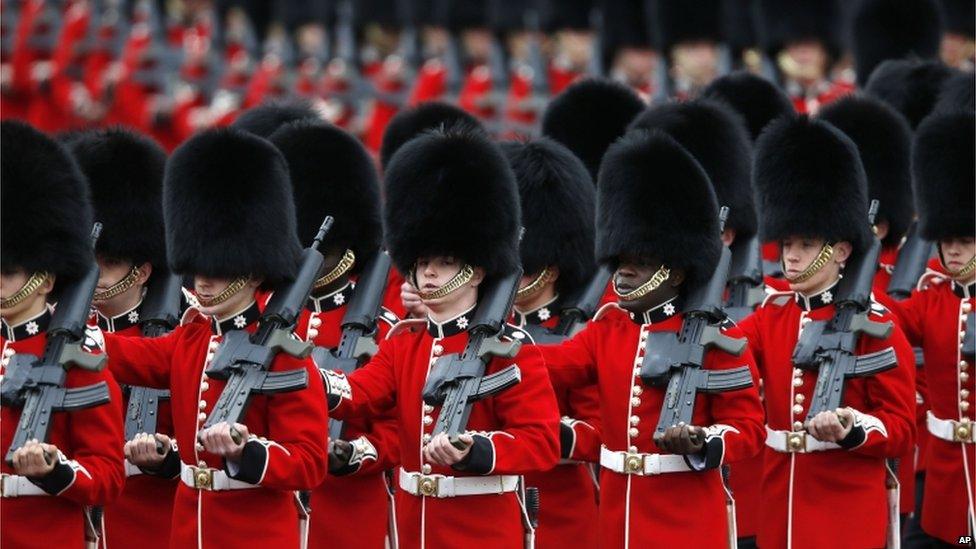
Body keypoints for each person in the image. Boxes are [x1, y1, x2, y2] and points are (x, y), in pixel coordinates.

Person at [324, 126, 561, 548]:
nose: (429, 273)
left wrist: (478, 450)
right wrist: (309, 375)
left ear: (478, 269)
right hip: (416, 525)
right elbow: (361, 391)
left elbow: (541, 442)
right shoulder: (406, 340)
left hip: (481, 527)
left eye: (447, 262)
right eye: (423, 261)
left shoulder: (509, 347)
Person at [101, 127, 329, 547]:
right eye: (198, 270)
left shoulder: (285, 353)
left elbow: (309, 461)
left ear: (253, 271)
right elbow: (138, 356)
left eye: (217, 271)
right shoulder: (193, 337)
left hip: (254, 532)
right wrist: (80, 334)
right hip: (189, 526)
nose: (202, 283)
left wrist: (248, 451)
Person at [538, 129, 765, 547]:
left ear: (674, 272)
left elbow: (748, 427)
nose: (623, 273)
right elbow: (551, 364)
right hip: (618, 519)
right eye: (621, 261)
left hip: (685, 519)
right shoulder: (609, 327)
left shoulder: (717, 336)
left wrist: (705, 440)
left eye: (639, 263)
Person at [740, 114, 916, 548]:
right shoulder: (774, 314)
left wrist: (853, 427)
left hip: (845, 515)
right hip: (781, 509)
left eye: (806, 245)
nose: (792, 257)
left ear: (840, 251)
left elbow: (901, 428)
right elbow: (727, 358)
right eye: (787, 245)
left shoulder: (876, 324)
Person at [269, 118, 402, 549]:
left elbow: (403, 427)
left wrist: (358, 453)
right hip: (274, 511)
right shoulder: (264, 318)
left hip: (348, 517)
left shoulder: (383, 327)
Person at [0, 120, 125, 549]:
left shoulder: (79, 355)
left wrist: (58, 469)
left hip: (45, 534)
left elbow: (108, 473)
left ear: (45, 278)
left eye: (8, 271)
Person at [67, 127, 178, 549]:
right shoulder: (56, 323)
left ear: (142, 270)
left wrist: (169, 460)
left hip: (150, 520)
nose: (95, 274)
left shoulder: (183, 324)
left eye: (108, 263)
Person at [500, 137, 601, 549]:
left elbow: (604, 430)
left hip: (565, 518)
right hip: (500, 511)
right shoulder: (491, 325)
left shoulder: (583, 329)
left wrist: (548, 435)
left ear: (552, 266)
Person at [889, 109, 975, 547]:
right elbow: (886, 319)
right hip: (943, 475)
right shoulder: (934, 297)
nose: (953, 251)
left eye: (965, 241)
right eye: (948, 241)